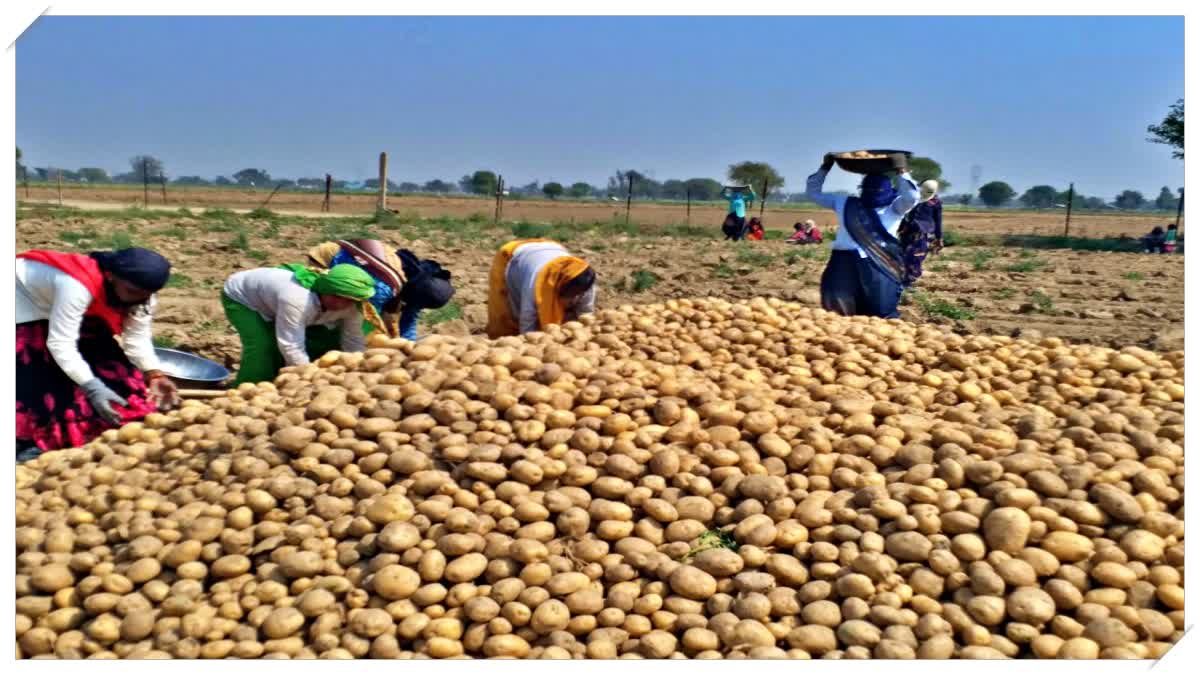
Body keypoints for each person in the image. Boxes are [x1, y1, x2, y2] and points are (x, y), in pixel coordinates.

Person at [15, 247, 179, 459]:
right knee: (40, 375)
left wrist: (154, 373)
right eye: (132, 292)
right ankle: (33, 440)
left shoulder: (140, 295)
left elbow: (136, 339)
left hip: (70, 305)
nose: (137, 299)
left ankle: (105, 427)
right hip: (23, 299)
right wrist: (92, 386)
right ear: (110, 276)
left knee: (112, 368)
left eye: (145, 295)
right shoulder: (75, 285)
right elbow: (61, 343)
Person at [221, 263, 376, 385]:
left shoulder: (354, 306)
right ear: (325, 290)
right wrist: (308, 376)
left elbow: (353, 340)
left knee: (324, 341)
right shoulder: (297, 300)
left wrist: (357, 370)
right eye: (337, 297)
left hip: (276, 300)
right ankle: (247, 389)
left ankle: (275, 377)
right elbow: (291, 344)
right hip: (243, 297)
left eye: (350, 300)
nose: (342, 304)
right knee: (262, 346)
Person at [807, 152, 920, 318]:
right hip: (843, 260)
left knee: (880, 307)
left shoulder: (894, 208)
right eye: (869, 189)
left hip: (879, 261)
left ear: (889, 191)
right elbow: (813, 193)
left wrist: (902, 170)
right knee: (837, 304)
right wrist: (825, 168)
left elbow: (913, 196)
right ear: (862, 190)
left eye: (878, 190)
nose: (873, 193)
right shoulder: (846, 203)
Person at [306, 239, 455, 340]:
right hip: (327, 259)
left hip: (362, 268)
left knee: (388, 318)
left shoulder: (415, 282)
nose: (415, 307)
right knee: (326, 307)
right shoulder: (385, 287)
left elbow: (410, 317)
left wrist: (408, 344)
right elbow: (368, 318)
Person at [487, 239, 596, 338]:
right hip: (513, 257)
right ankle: (497, 339)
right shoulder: (536, 284)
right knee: (508, 313)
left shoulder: (585, 281)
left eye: (578, 294)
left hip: (550, 249)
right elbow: (528, 316)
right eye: (571, 293)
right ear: (560, 284)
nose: (575, 296)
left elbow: (585, 313)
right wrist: (526, 341)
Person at [897, 179, 944, 285]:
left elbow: (938, 221)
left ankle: (908, 283)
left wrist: (939, 238)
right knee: (902, 258)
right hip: (906, 233)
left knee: (915, 260)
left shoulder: (936, 203)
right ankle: (901, 282)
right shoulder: (912, 198)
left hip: (921, 236)